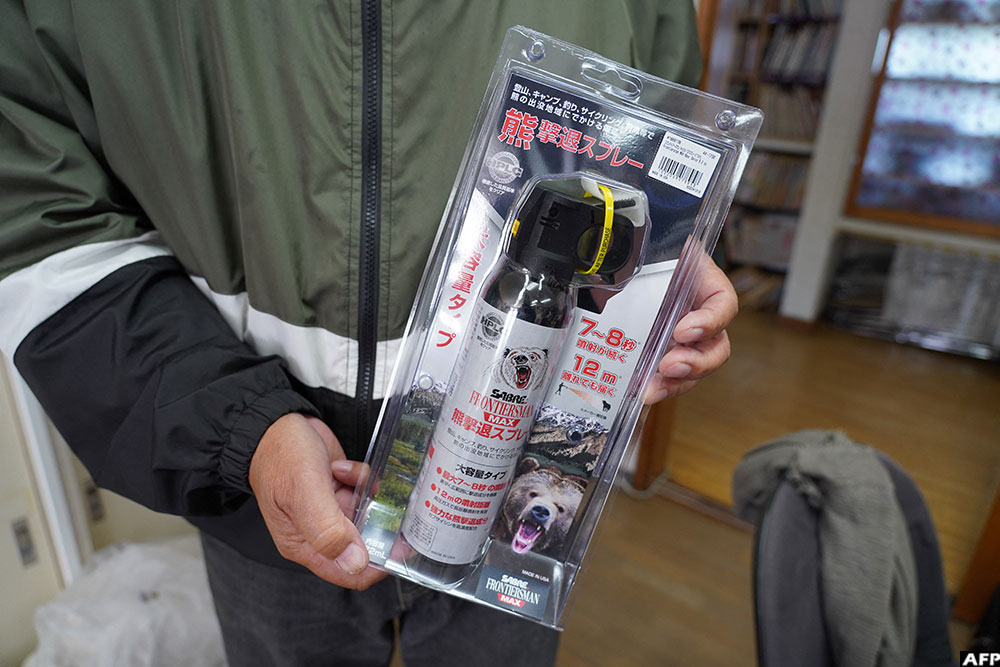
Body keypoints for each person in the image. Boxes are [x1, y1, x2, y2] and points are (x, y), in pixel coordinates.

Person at [0, 2, 736, 665]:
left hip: (509, 497)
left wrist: (660, 274)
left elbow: (662, 154)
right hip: (254, 485)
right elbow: (38, 219)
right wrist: (235, 430)